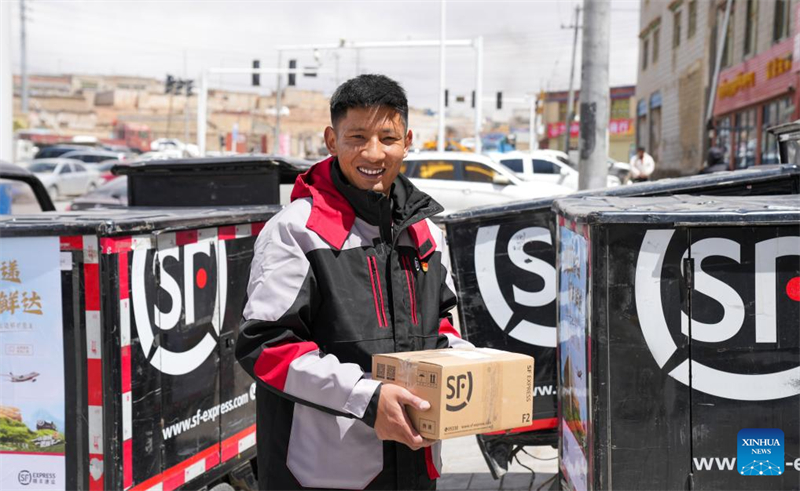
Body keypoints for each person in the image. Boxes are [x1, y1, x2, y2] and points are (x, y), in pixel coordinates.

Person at [236, 74, 471, 490]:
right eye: (357, 137)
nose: (373, 153)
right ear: (331, 140)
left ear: (407, 140)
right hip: (322, 475)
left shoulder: (425, 233)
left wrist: (467, 368)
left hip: (415, 463)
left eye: (388, 137)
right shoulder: (296, 232)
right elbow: (266, 347)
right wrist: (367, 398)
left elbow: (441, 325)